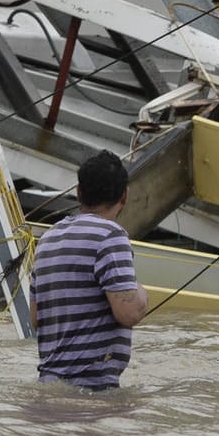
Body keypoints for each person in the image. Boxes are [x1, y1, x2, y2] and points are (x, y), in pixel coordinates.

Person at [29, 150, 149, 391]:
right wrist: (141, 292)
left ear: (79, 192)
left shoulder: (47, 239)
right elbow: (128, 313)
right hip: (91, 393)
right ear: (124, 196)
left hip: (49, 387)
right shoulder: (111, 236)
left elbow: (35, 319)